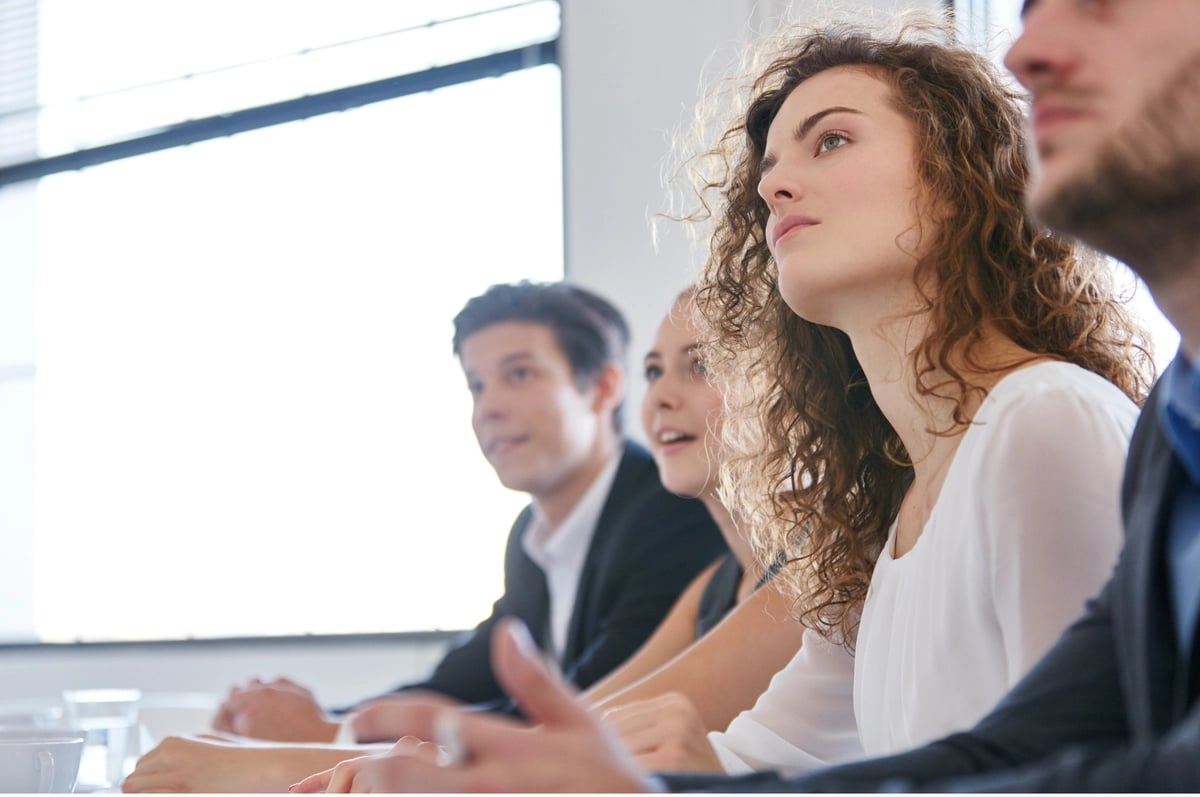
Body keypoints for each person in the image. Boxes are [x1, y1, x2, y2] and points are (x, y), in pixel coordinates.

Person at [290, 5, 1179, 791]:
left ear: (957, 176)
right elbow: (754, 752)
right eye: (771, 163)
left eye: (831, 140)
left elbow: (1076, 775)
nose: (771, 184)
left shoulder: (1041, 419)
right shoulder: (893, 515)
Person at [121, 289, 800, 794]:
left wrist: (291, 754)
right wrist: (329, 726)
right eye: (477, 385)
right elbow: (531, 704)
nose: (489, 407)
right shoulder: (546, 542)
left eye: (519, 374)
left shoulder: (676, 520)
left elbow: (561, 740)